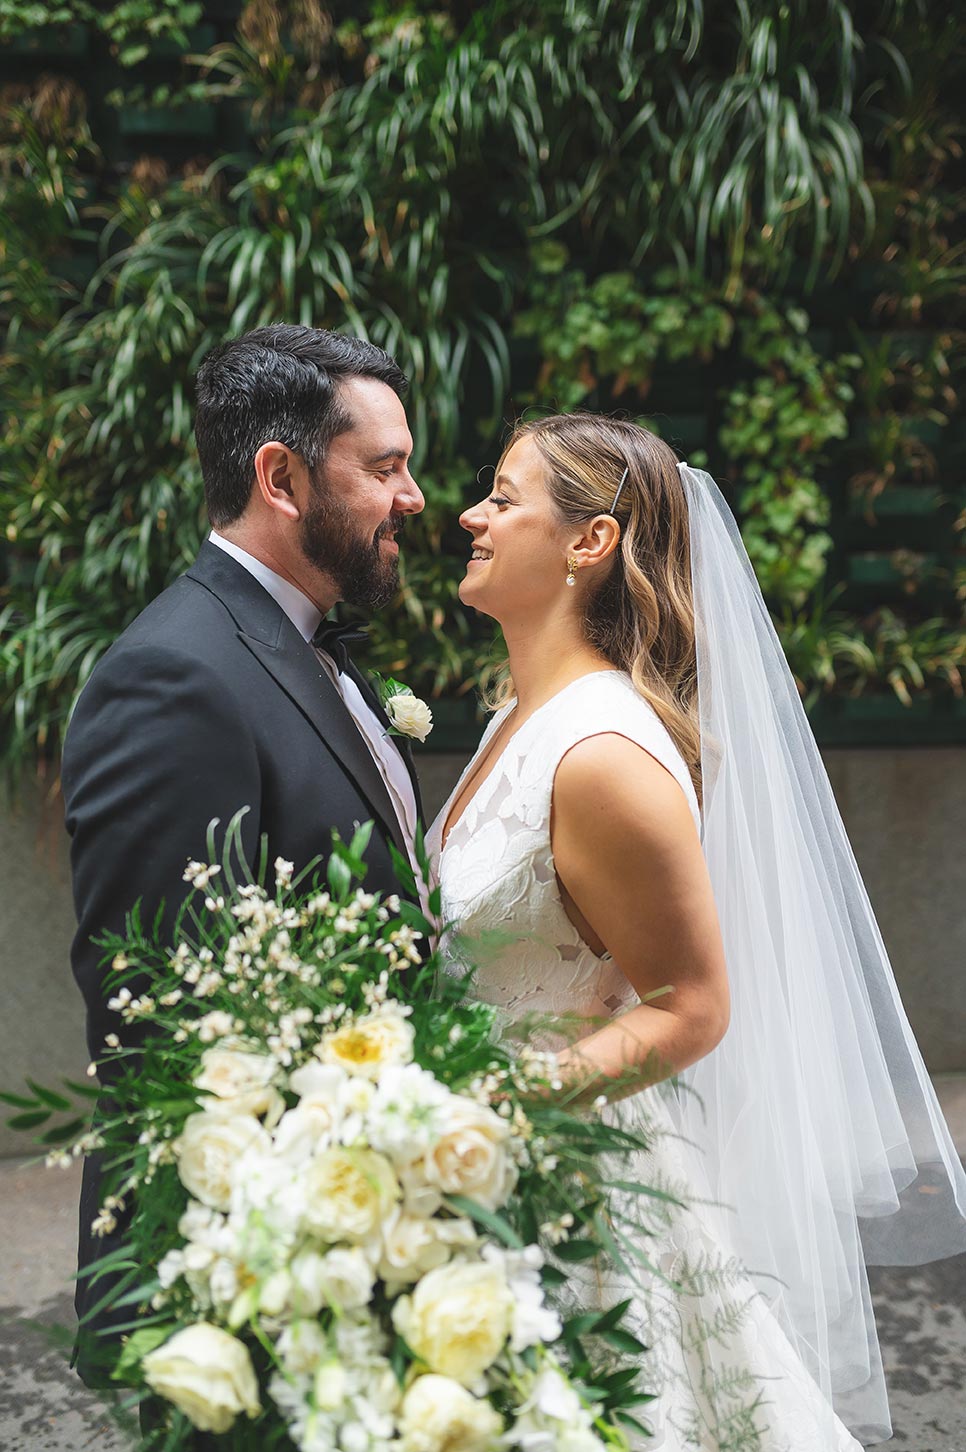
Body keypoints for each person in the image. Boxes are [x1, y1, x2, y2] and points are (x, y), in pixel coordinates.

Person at [427, 412, 966, 1450]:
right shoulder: (518, 719)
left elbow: (693, 1006)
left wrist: (497, 1107)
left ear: (590, 542)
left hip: (564, 1175)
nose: (470, 514)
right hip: (485, 1163)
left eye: (503, 495)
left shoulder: (604, 756)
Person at [61, 325, 425, 1418]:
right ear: (281, 477)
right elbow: (162, 1017)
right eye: (386, 466)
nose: (413, 497)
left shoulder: (307, 642)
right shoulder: (176, 674)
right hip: (241, 1277)